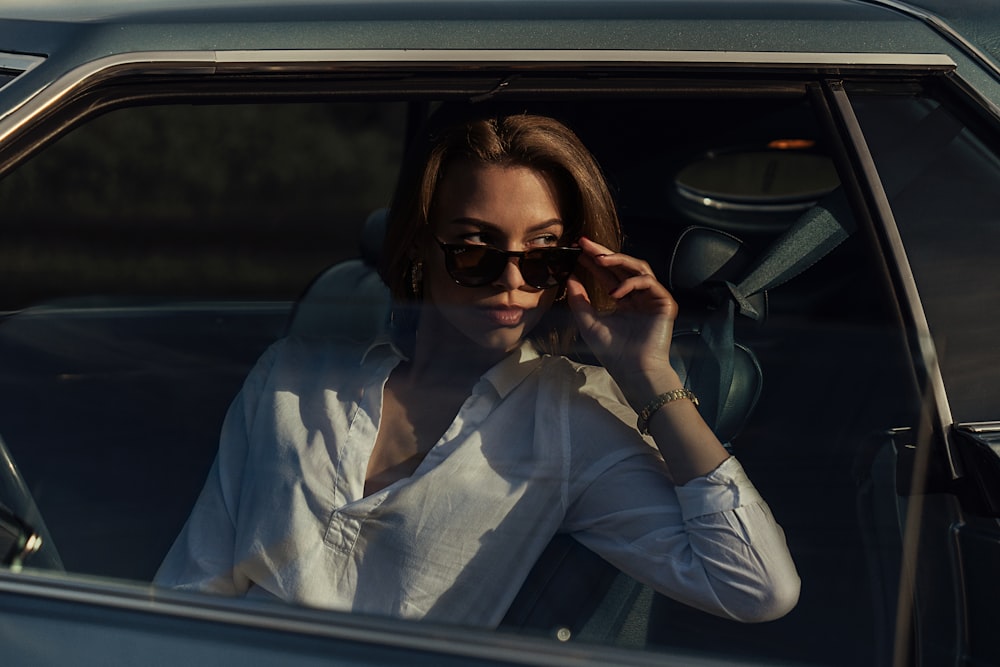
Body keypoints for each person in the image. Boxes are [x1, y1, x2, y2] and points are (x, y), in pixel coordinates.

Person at [155, 109, 799, 629]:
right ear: (419, 251)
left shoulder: (572, 419)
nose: (513, 283)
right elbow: (190, 590)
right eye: (474, 252)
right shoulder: (291, 378)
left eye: (544, 255)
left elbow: (756, 587)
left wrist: (651, 378)